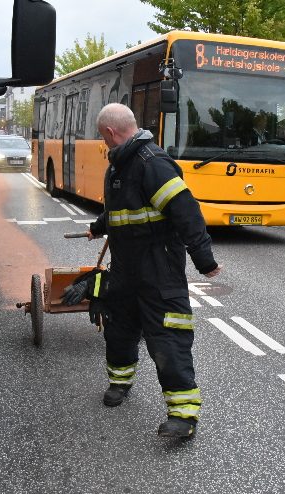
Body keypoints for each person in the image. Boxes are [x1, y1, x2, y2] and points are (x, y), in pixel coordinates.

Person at [88, 103, 221, 440]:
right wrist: (98, 226)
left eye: (103, 137)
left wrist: (204, 260)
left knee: (168, 339)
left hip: (159, 273)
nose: (103, 143)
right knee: (118, 330)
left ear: (109, 132)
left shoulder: (153, 163)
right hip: (125, 271)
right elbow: (122, 208)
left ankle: (183, 416)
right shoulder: (119, 167)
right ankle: (119, 383)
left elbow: (185, 212)